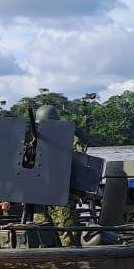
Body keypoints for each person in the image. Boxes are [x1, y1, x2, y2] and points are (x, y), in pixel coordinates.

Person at [28, 104, 88, 246]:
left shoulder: (70, 139)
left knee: (68, 235)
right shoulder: (36, 141)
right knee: (41, 234)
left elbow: (79, 161)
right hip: (40, 196)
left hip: (62, 195)